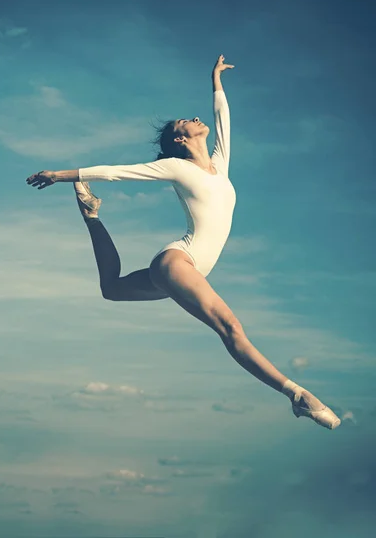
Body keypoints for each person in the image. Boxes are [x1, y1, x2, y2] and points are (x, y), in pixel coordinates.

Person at [26, 54, 340, 430]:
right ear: (180, 138)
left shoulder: (219, 165)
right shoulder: (176, 167)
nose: (195, 119)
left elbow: (224, 120)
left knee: (111, 288)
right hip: (179, 263)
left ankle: (91, 216)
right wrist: (59, 175)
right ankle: (298, 396)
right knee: (231, 329)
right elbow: (116, 172)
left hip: (187, 271)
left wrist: (216, 81)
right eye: (186, 122)